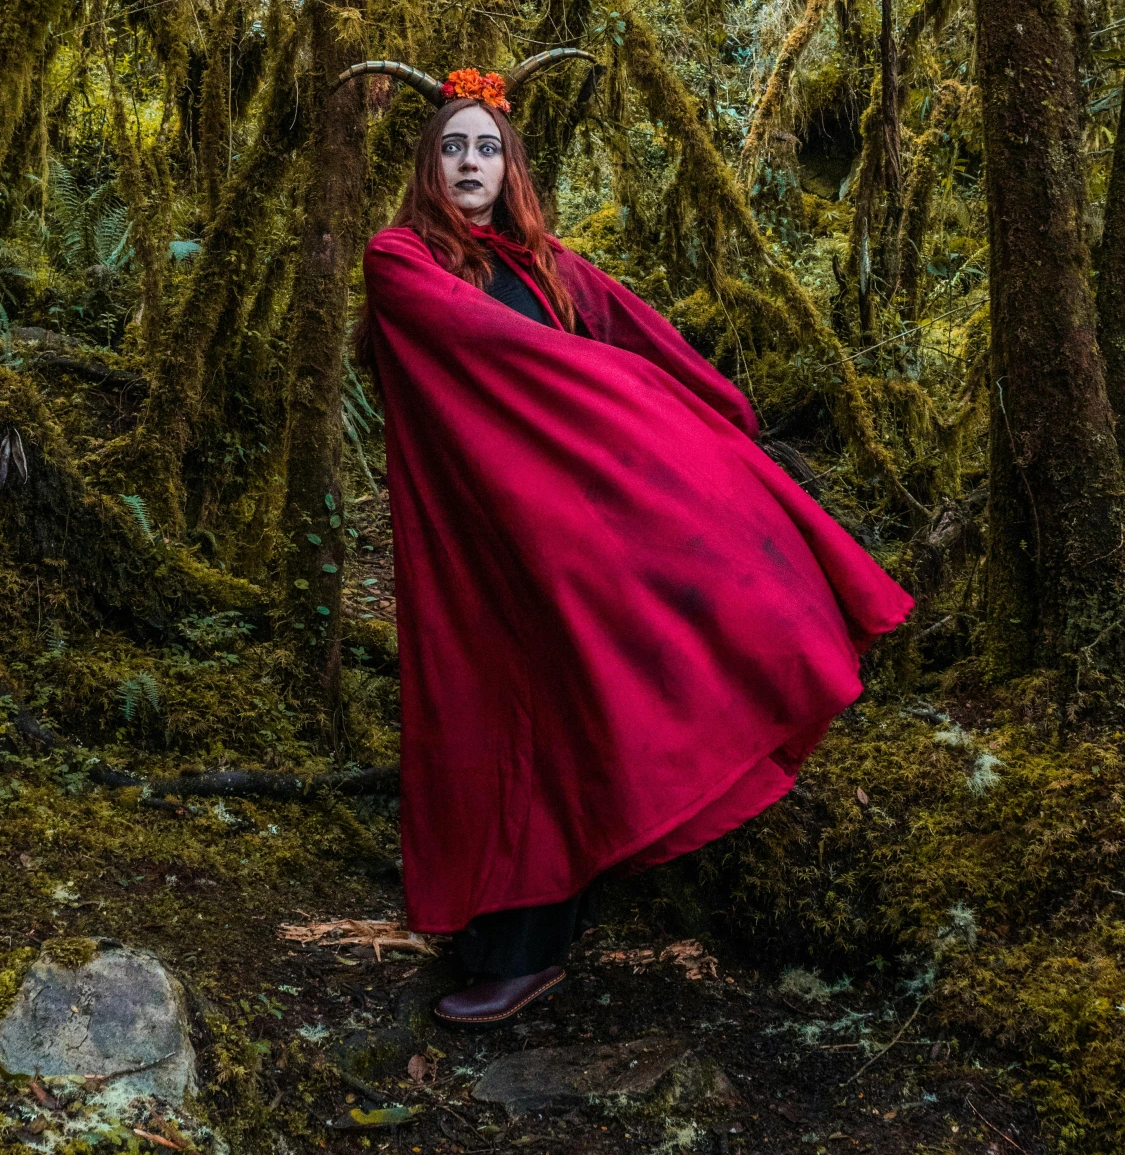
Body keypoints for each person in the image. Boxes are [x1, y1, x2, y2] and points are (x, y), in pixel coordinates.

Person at [347, 53, 913, 1028]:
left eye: (488, 148)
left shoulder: (554, 268)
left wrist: (714, 414)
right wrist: (625, 390)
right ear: (427, 167)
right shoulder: (403, 257)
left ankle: (533, 948)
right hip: (481, 536)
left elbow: (644, 341)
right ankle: (498, 939)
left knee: (581, 695)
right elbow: (500, 353)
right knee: (493, 706)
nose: (471, 163)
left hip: (570, 526)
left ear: (512, 165)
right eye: (453, 149)